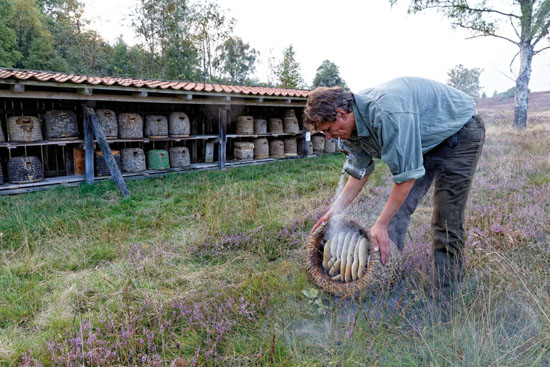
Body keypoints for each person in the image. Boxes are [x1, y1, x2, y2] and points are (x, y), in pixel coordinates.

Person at [305, 77, 485, 294]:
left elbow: (406, 177)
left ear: (342, 114)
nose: (328, 136)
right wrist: (333, 212)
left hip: (460, 131)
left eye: (328, 129)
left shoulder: (386, 115)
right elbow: (358, 173)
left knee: (446, 219)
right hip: (424, 139)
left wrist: (379, 223)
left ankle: (446, 294)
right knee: (394, 217)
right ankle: (384, 280)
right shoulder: (346, 129)